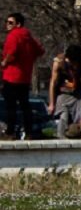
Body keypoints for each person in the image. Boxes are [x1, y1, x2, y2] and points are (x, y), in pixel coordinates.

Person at [1, 13, 44, 141]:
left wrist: (5, 62)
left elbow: (12, 52)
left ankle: (10, 132)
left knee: (11, 106)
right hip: (25, 77)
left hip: (11, 75)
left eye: (10, 22)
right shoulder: (29, 37)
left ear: (18, 24)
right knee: (25, 105)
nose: (7, 25)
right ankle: (29, 132)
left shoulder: (14, 35)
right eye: (6, 22)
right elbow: (40, 51)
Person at [48, 44, 81, 136]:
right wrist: (52, 103)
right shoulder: (59, 62)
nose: (74, 65)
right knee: (63, 116)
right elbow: (52, 83)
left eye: (75, 63)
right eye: (72, 62)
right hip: (62, 93)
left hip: (77, 93)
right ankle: (61, 136)